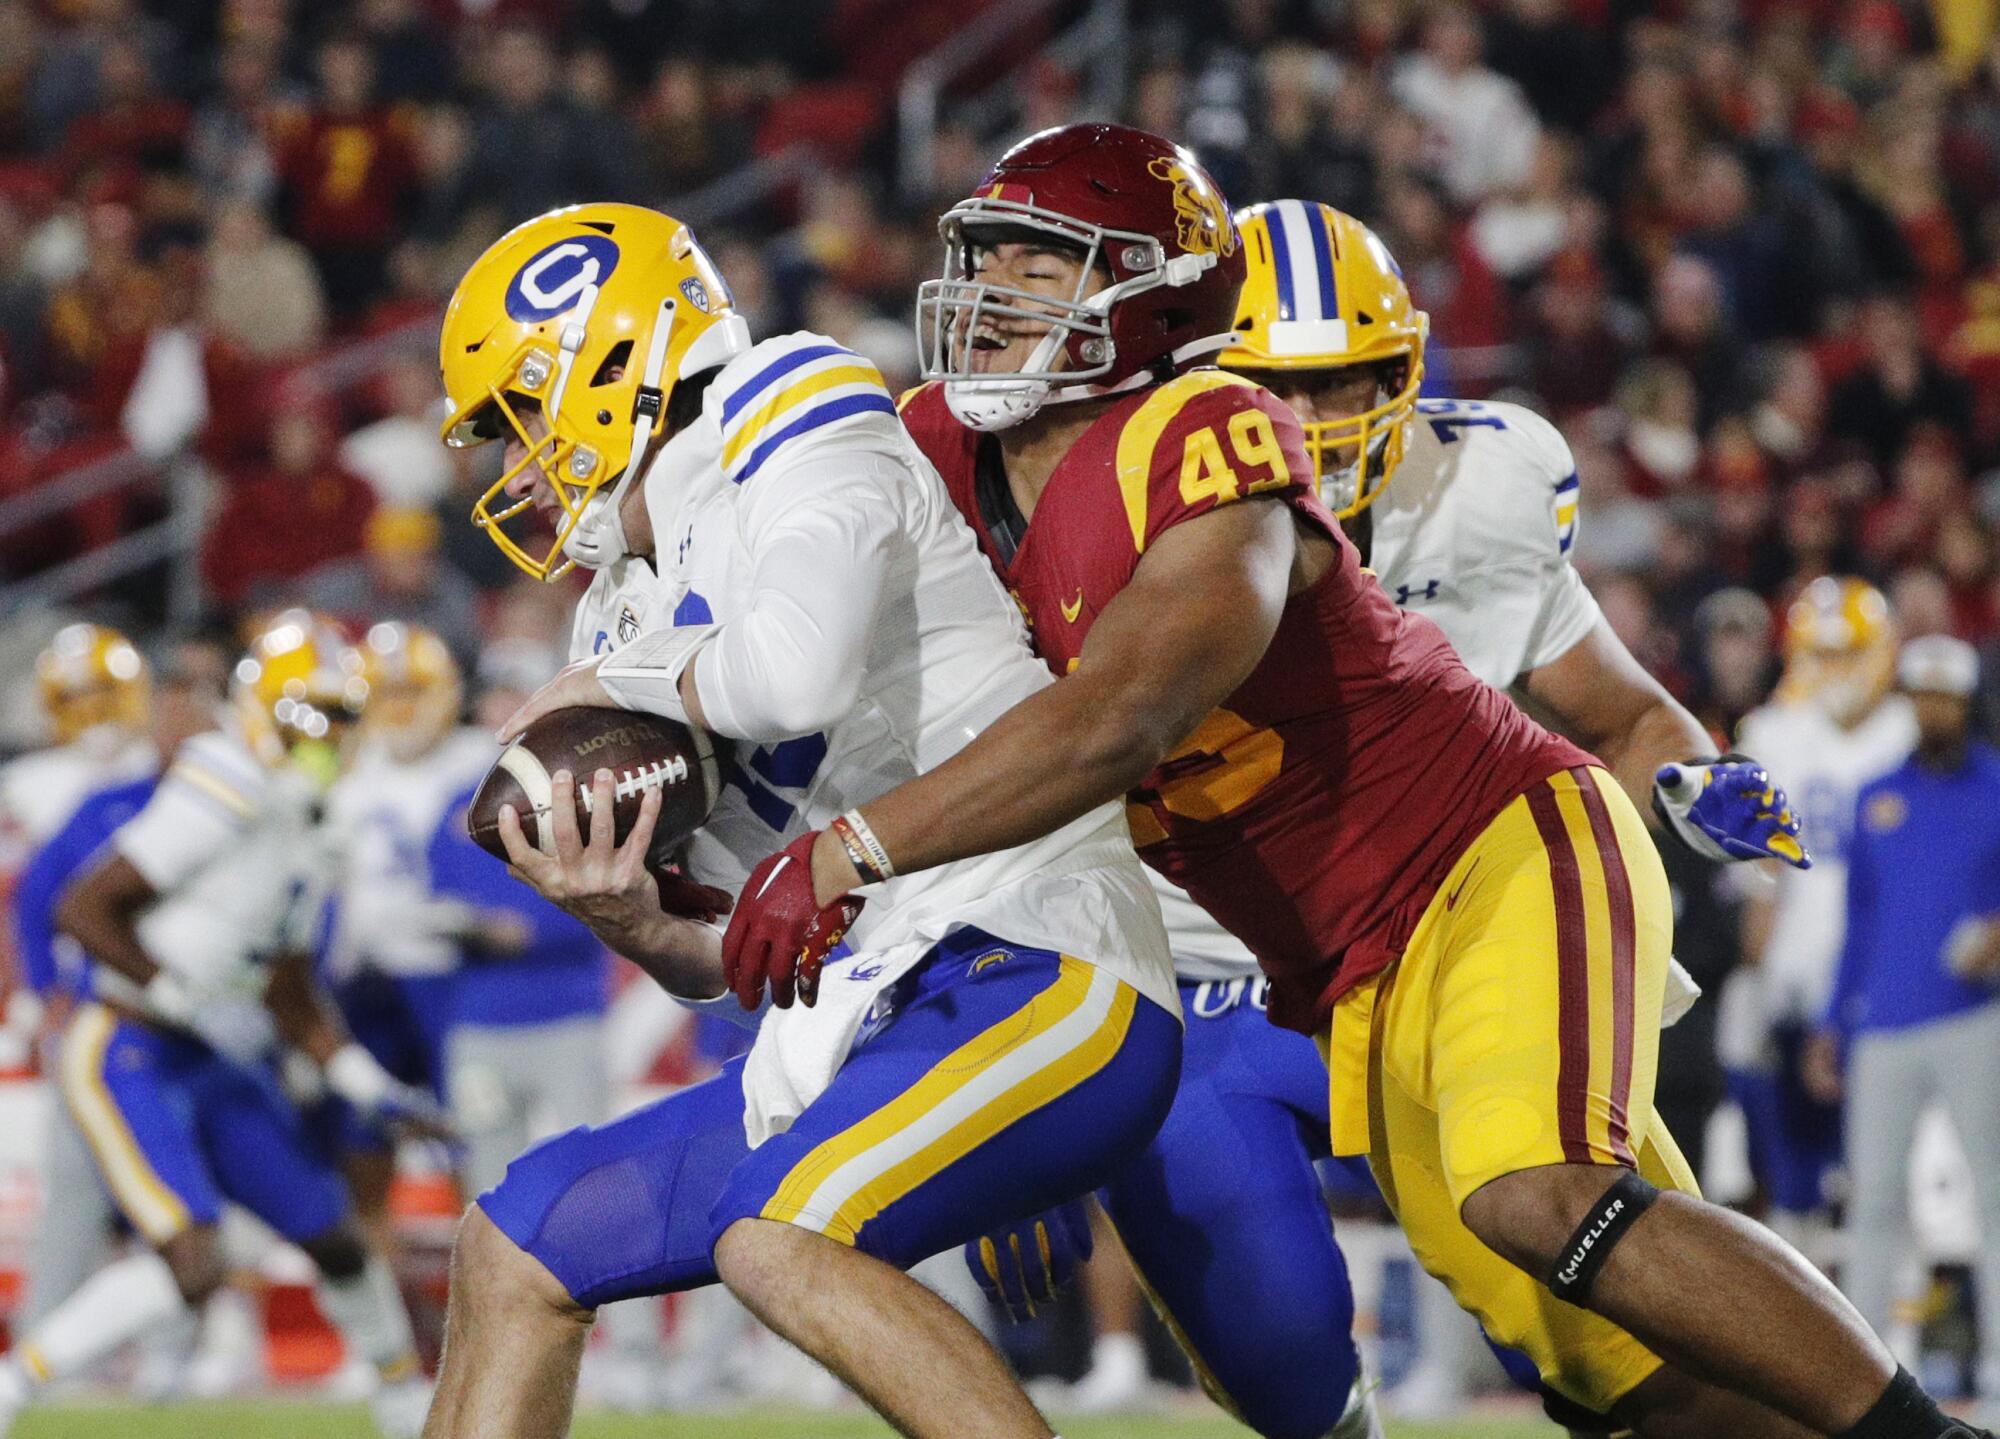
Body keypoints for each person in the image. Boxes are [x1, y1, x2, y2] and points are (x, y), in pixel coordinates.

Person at [722, 123, 1969, 1438]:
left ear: (1158, 299)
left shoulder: (1213, 434)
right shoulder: (936, 453)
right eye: (994, 261)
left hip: (1490, 853)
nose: (994, 299)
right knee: (1617, 1369)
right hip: (1338, 969)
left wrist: (847, 850)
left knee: (1537, 1188)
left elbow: (1116, 722)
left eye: (1045, 267)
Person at [419, 202, 1180, 1439]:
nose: (513, 462)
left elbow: (793, 676)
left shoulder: (783, 397)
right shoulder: (615, 615)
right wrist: (627, 916)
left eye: (518, 413)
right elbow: (741, 957)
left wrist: (606, 688)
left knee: (777, 1237)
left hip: (1037, 950)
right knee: (513, 1244)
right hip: (865, 1014)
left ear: (606, 364)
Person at [0, 612, 444, 1439]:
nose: (331, 737)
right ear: (266, 709)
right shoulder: (228, 777)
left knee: (336, 1237)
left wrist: (366, 1083)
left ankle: (397, 1402)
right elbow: (85, 908)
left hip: (211, 1054)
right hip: (127, 1040)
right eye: (314, 715)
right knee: (194, 1262)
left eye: (342, 719)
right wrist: (178, 993)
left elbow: (288, 985)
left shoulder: (315, 818)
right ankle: (10, 1390)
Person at [1804, 634, 2000, 1425]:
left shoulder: (1995, 787)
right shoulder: (1876, 793)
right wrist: (1831, 1021)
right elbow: (1859, 920)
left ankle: (1995, 1361)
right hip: (1883, 1020)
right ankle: (1868, 1370)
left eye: (1945, 695)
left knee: (1995, 1189)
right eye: (1921, 694)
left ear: (1966, 700)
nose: (1933, 708)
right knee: (1875, 1198)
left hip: (1972, 1017)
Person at [1731, 577, 1917, 1248]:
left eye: (1848, 653)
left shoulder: (1910, 732)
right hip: (1798, 974)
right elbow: (1761, 877)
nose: (1834, 672)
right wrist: (1756, 976)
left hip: (1890, 974)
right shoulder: (1772, 733)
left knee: (1897, 1171)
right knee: (1793, 1175)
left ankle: (1896, 1328)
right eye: (1821, 653)